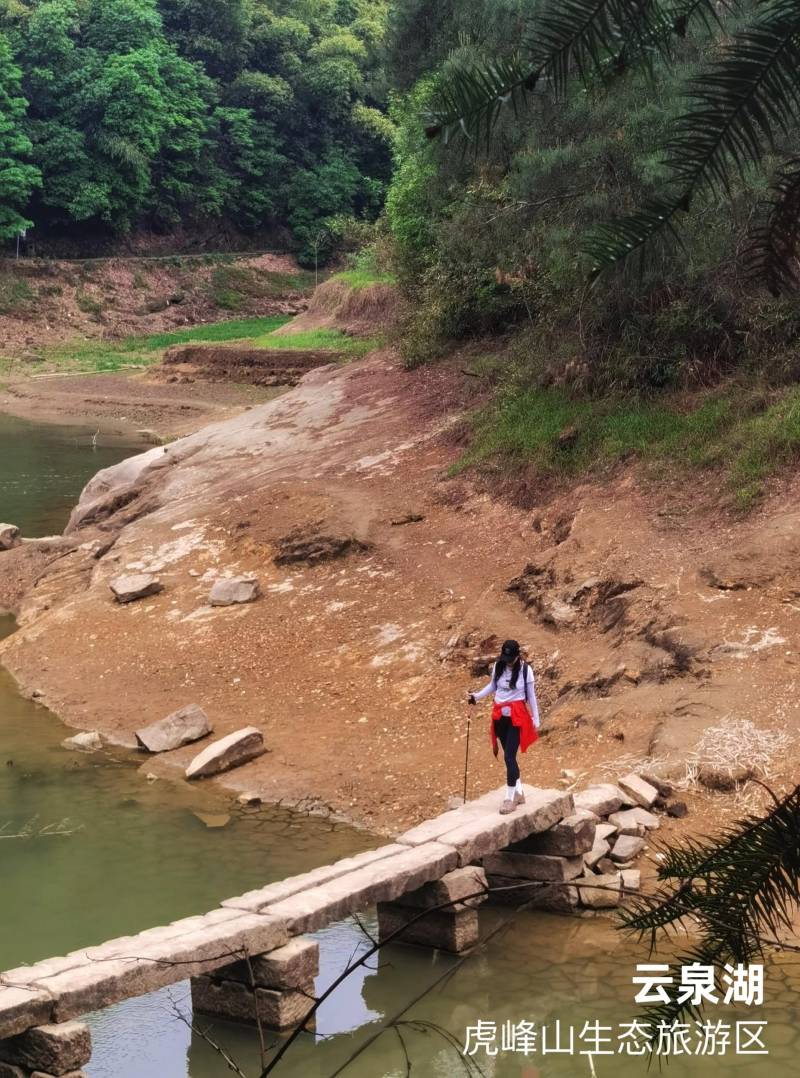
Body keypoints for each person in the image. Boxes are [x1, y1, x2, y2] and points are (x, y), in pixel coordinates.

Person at [467, 639, 541, 814]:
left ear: (517, 655)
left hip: (517, 718)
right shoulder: (498, 666)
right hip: (500, 717)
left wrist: (536, 719)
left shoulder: (525, 671)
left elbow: (531, 696)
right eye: (505, 657)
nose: (507, 661)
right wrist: (476, 697)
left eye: (510, 658)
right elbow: (493, 686)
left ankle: (510, 798)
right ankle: (520, 791)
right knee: (510, 757)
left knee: (509, 756)